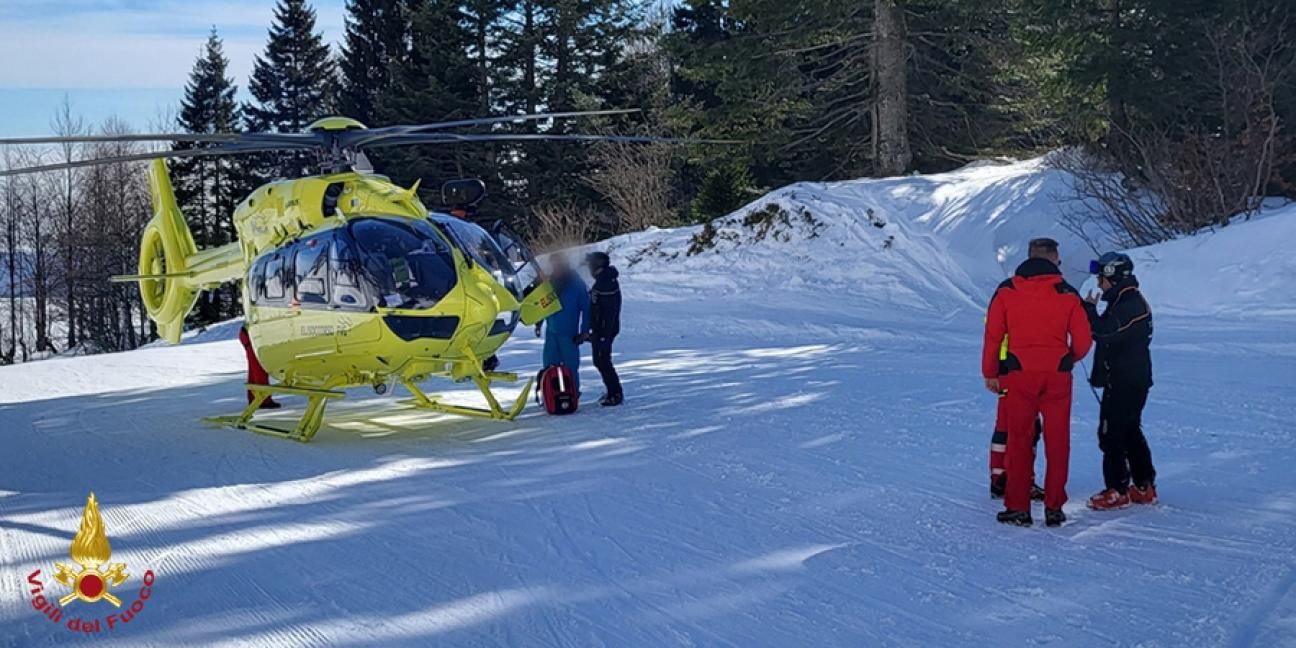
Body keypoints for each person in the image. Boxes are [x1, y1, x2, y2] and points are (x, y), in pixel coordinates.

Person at [982, 238, 1092, 527]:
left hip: (1019, 373)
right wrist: (1068, 358)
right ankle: (1054, 507)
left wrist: (990, 372)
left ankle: (1018, 507)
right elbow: (1083, 339)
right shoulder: (1067, 293)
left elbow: (993, 336)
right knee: (1058, 441)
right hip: (1057, 374)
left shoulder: (1007, 291)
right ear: (1055, 260)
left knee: (1019, 439)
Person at [1083, 252, 1157, 510]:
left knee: (1111, 434)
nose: (1099, 283)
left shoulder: (1130, 303)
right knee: (1129, 431)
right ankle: (1143, 485)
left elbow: (1104, 331)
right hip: (1128, 378)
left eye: (1102, 278)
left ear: (1113, 278)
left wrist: (1089, 310)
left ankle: (1117, 489)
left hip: (1126, 381)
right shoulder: (1123, 300)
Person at [535, 254, 592, 393]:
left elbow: (587, 308)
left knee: (571, 367)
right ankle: (550, 394)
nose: (556, 267)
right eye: (554, 265)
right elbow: (543, 304)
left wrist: (584, 331)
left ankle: (573, 393)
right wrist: (538, 322)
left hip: (569, 334)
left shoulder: (577, 284)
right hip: (551, 332)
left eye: (559, 264)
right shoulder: (549, 282)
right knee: (549, 366)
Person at [585, 251, 623, 406]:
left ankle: (615, 393)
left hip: (604, 331)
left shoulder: (606, 284)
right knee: (600, 360)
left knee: (603, 361)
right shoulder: (604, 280)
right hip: (602, 330)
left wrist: (601, 334)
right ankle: (612, 391)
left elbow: (607, 312)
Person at [237, 324, 280, 409]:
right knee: (260, 368)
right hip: (252, 335)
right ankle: (263, 400)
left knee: (254, 369)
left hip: (248, 334)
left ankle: (254, 398)